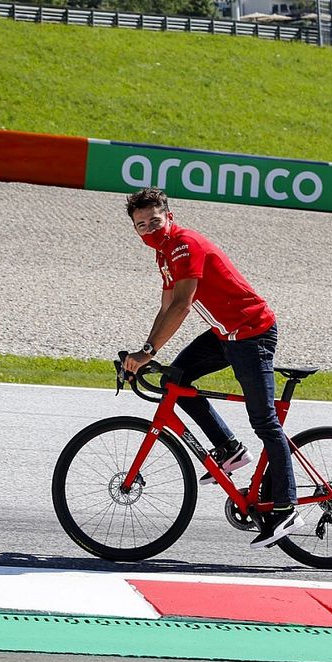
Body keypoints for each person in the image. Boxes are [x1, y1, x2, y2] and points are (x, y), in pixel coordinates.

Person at [121, 187, 303, 549]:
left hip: (252, 334)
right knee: (178, 377)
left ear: (169, 217)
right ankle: (229, 449)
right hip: (225, 334)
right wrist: (144, 352)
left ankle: (286, 506)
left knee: (265, 421)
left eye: (154, 221)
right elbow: (165, 307)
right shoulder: (164, 254)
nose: (148, 230)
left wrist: (147, 351)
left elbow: (183, 306)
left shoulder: (184, 245)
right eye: (140, 226)